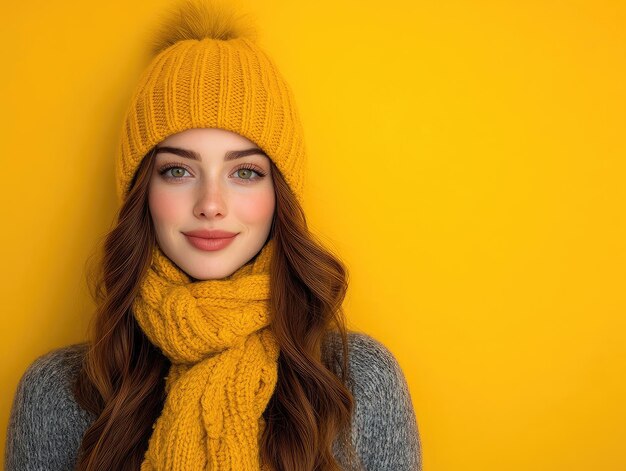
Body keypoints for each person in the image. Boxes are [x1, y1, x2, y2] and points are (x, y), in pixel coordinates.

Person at [4, 0, 422, 469]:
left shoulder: (357, 383)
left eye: (244, 172)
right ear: (142, 191)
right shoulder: (58, 394)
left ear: (279, 195)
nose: (210, 203)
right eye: (179, 170)